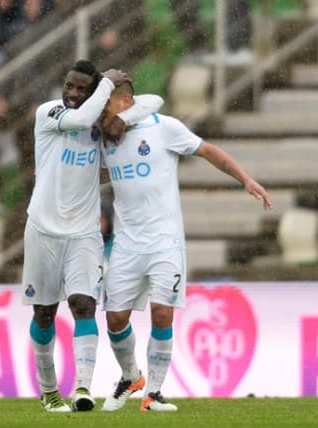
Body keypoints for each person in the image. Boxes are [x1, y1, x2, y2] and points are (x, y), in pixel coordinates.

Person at [98, 81, 272, 412]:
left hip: (165, 240)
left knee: (162, 312)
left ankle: (155, 394)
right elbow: (110, 174)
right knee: (115, 319)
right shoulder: (107, 137)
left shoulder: (164, 127)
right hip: (126, 243)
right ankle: (131, 376)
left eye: (107, 103)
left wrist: (246, 179)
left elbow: (209, 151)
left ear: (126, 101)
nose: (103, 110)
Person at [22, 59, 164, 412]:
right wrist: (105, 86)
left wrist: (120, 116)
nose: (71, 93)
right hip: (42, 229)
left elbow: (154, 101)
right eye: (68, 85)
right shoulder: (50, 112)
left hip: (84, 232)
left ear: (93, 92)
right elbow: (82, 118)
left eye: (80, 88)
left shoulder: (98, 124)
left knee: (83, 305)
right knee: (44, 312)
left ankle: (82, 389)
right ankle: (49, 391)